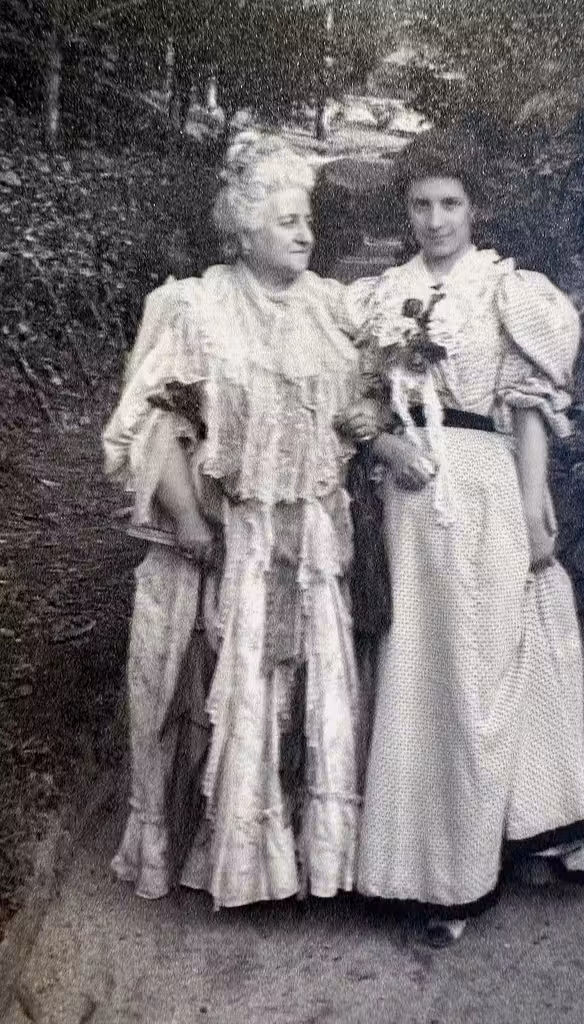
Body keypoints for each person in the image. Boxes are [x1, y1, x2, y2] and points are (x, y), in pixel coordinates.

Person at [342, 129, 584, 947]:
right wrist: (386, 446)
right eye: (420, 205)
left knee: (482, 664)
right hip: (405, 495)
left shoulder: (507, 291)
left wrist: (533, 509)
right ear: (406, 210)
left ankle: (480, 853)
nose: (435, 220)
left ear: (474, 207)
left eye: (450, 203)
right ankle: (424, 869)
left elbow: (527, 410)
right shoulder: (378, 295)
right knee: (416, 667)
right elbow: (358, 406)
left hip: (485, 484)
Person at [102, 132, 366, 908]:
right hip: (235, 537)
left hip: (312, 534)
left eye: (307, 220)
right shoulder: (200, 307)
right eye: (286, 221)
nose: (303, 234)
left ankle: (306, 862)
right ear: (245, 230)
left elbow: (374, 395)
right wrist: (189, 520)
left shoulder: (331, 308)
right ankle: (233, 861)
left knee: (311, 686)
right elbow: (150, 424)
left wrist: (363, 421)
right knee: (234, 682)